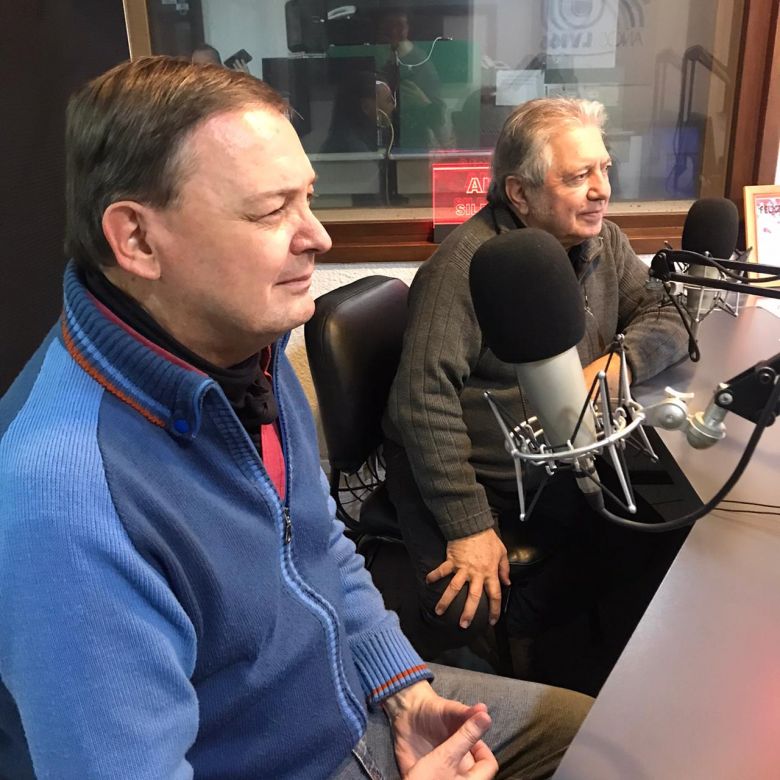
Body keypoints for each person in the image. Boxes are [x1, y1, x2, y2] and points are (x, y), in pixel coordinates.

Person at [0, 58, 592, 779]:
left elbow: (317, 546)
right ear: (137, 240)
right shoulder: (62, 503)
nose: (317, 237)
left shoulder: (245, 347)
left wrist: (402, 688)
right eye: (270, 210)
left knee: (599, 736)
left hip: (351, 702)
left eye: (307, 199)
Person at [383, 97, 689, 664]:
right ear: (519, 193)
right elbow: (421, 405)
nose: (602, 190)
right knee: (465, 609)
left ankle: (546, 639)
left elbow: (667, 314)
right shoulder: (463, 269)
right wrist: (468, 526)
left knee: (664, 529)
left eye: (605, 169)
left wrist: (615, 369)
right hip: (477, 471)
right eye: (578, 177)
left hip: (556, 461)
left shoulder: (602, 242)